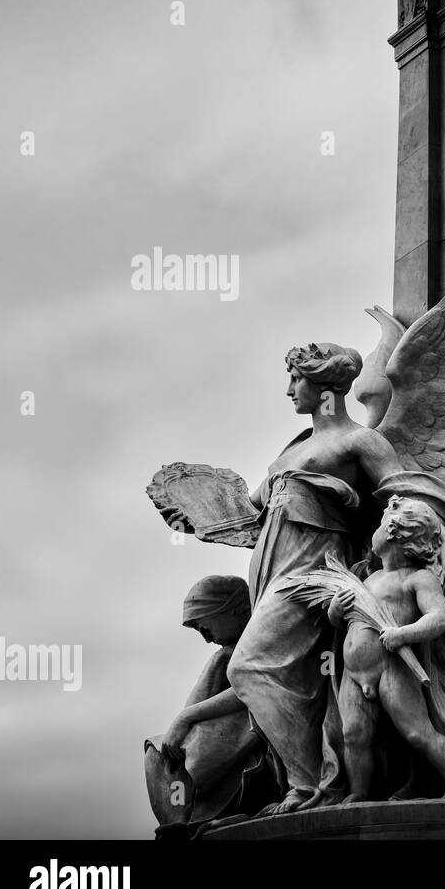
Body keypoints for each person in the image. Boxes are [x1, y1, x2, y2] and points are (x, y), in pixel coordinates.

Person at [226, 342, 404, 815]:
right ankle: (303, 781)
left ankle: (307, 786)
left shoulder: (359, 441)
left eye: (296, 380)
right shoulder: (296, 447)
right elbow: (252, 513)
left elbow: (409, 500)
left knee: (247, 667)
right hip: (270, 572)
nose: (289, 390)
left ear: (324, 387)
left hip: (311, 575)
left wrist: (357, 514)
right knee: (299, 679)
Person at [327, 496, 445, 800]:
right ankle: (359, 792)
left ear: (394, 533)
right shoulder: (372, 578)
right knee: (353, 735)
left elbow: (440, 618)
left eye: (380, 525)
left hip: (391, 668)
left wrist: (403, 634)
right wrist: (335, 611)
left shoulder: (418, 578)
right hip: (354, 673)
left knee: (417, 732)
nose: (374, 532)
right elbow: (345, 624)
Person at [143, 575, 282, 837]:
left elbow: (251, 687)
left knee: (188, 754)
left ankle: (195, 817)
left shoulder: (269, 634)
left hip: (265, 725)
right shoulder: (227, 654)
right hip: (240, 730)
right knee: (158, 753)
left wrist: (185, 718)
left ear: (235, 609)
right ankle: (180, 823)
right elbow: (194, 705)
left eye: (205, 626)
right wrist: (217, 663)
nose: (206, 638)